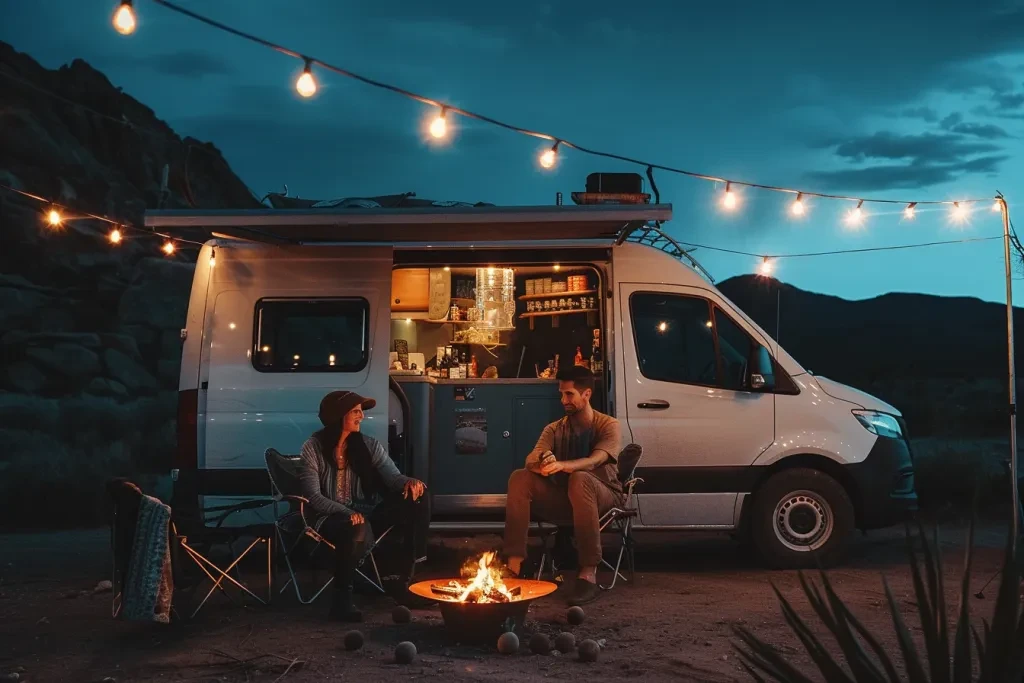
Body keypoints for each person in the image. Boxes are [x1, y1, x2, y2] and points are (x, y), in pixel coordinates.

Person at [298, 390, 431, 621]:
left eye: (361, 411)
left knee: (418, 497)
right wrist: (347, 512)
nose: (362, 416)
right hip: (327, 518)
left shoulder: (367, 445)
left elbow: (392, 477)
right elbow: (314, 497)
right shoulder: (313, 448)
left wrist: (409, 482)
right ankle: (342, 602)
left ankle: (404, 581)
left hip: (364, 513)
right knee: (355, 526)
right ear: (338, 416)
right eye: (356, 411)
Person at [502, 365, 622, 606]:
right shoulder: (555, 428)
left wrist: (563, 466)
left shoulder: (608, 425)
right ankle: (513, 566)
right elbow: (531, 458)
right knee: (519, 477)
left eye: (569, 394)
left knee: (580, 477)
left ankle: (588, 573)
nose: (563, 400)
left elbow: (595, 460)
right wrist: (542, 463)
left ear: (586, 394)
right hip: (568, 499)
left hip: (605, 494)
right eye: (561, 394)